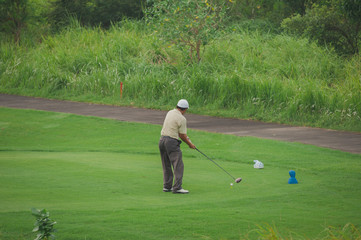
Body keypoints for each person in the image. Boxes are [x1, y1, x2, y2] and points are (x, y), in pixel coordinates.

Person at [159, 99, 196, 194]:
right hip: (171, 141)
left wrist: (188, 140)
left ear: (177, 106)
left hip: (162, 140)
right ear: (185, 109)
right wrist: (190, 144)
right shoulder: (182, 119)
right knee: (178, 165)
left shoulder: (170, 112)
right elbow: (182, 135)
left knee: (166, 164)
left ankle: (167, 186)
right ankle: (177, 187)